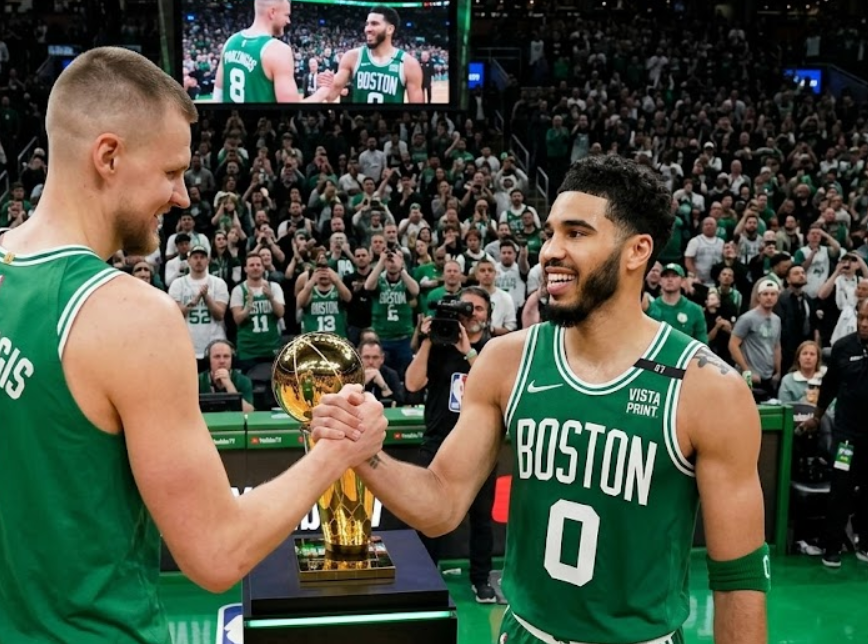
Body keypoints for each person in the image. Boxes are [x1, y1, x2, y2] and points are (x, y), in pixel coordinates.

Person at [0, 47, 385, 644]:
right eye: (171, 172)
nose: (184, 196)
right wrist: (336, 450)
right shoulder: (130, 315)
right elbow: (218, 553)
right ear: (108, 155)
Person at [310, 155, 768, 643]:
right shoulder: (506, 360)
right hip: (527, 633)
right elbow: (441, 504)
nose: (550, 250)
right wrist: (362, 451)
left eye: (576, 233)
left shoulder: (709, 389)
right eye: (550, 233)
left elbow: (738, 580)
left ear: (637, 251)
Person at [405, 286, 497, 602]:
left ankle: (481, 579)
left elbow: (498, 386)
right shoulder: (439, 347)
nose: (471, 314)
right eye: (466, 308)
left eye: (478, 309)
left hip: (481, 445)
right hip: (438, 442)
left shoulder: (493, 349)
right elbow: (412, 383)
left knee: (481, 518)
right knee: (430, 512)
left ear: (488, 315)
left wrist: (468, 351)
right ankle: (427, 575)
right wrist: (430, 339)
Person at [801, 299, 868, 568]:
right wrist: (816, 417)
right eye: (861, 317)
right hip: (846, 436)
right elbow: (828, 388)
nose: (864, 323)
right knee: (841, 487)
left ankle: (864, 543)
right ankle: (832, 546)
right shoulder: (842, 347)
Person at [213, 0, 333, 103]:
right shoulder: (278, 50)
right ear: (272, 12)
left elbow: (217, 97)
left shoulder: (230, 42)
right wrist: (323, 90)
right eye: (286, 15)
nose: (288, 21)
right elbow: (292, 110)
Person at [325, 6, 424, 104]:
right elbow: (330, 96)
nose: (368, 29)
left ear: (390, 29)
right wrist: (324, 83)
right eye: (367, 24)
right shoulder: (352, 57)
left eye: (374, 24)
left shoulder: (409, 64)